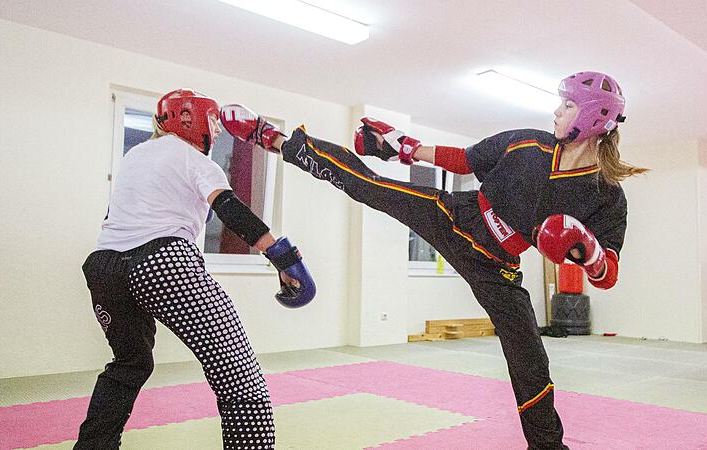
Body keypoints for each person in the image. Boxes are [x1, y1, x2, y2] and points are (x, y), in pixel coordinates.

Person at [219, 71, 647, 449]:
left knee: (531, 362)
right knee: (370, 186)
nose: (556, 111)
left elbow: (608, 273)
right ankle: (270, 137)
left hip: (498, 267)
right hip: (456, 215)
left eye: (567, 105)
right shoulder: (528, 142)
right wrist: (400, 148)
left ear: (591, 118)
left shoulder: (607, 195)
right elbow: (465, 160)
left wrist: (587, 250)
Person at [76, 89, 315, 450]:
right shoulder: (194, 159)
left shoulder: (134, 155)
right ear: (189, 119)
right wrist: (283, 259)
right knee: (240, 377)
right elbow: (230, 209)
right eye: (215, 121)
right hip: (163, 264)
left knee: (128, 364)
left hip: (103, 268)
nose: (218, 131)